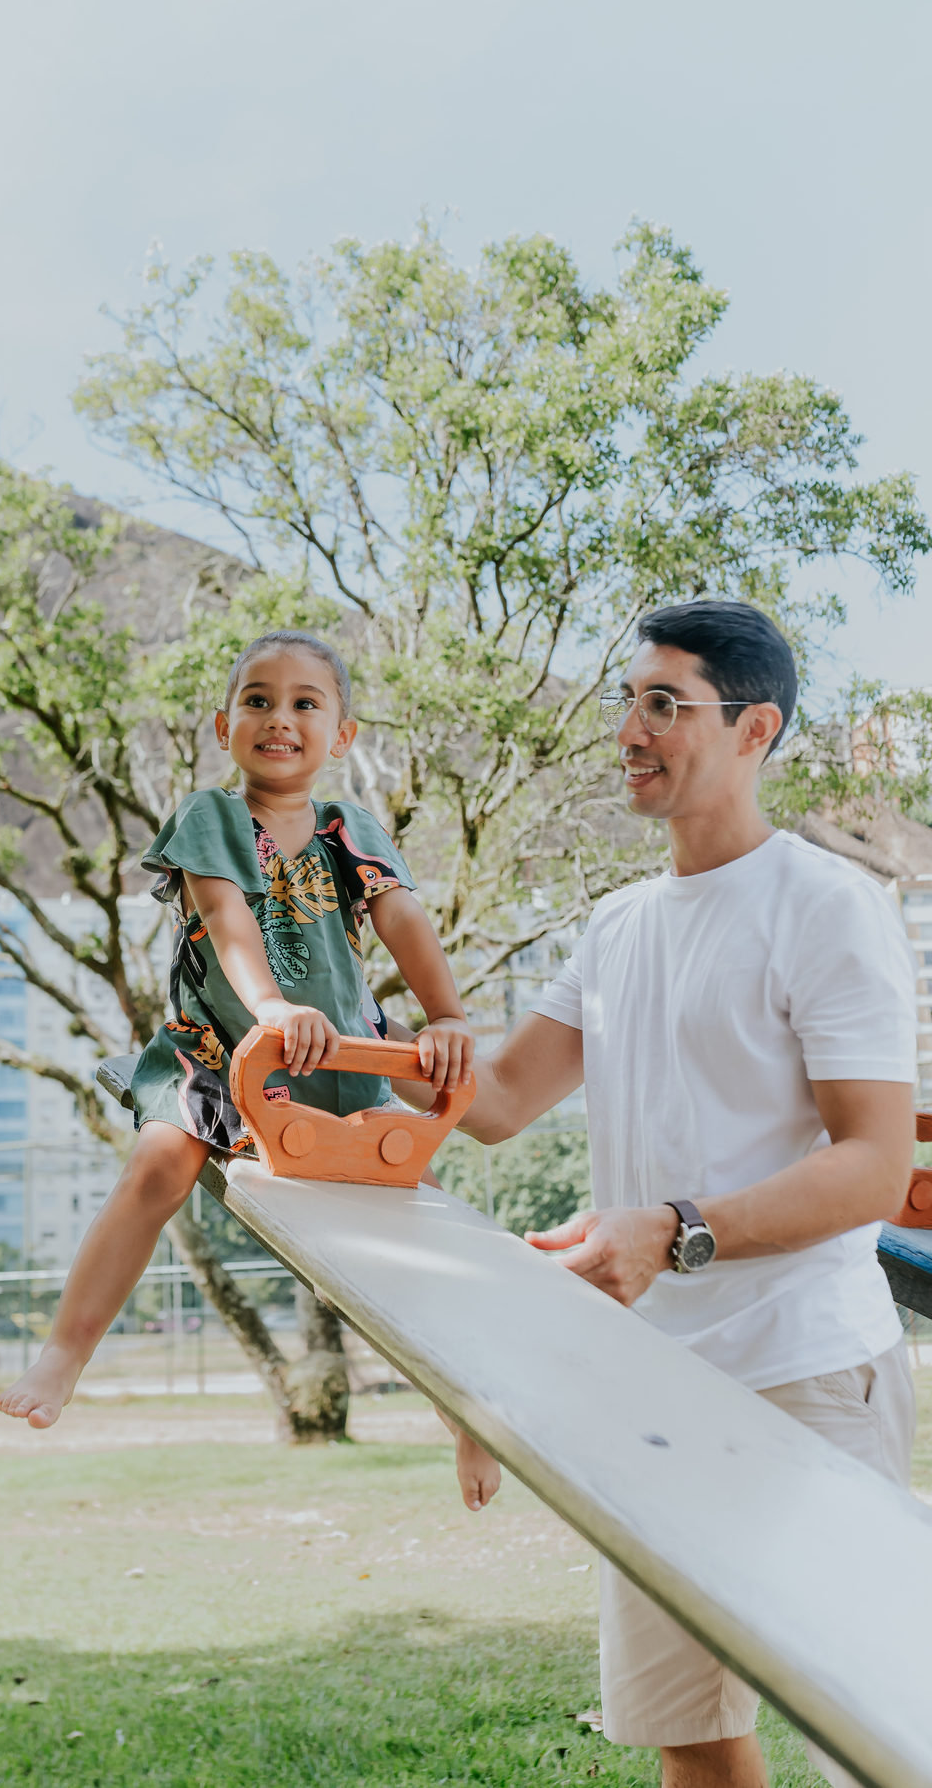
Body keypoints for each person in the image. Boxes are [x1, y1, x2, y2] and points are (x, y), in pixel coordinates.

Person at [436, 601, 917, 1788]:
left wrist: (676, 1229)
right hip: (649, 1386)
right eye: (628, 700)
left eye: (665, 704)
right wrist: (340, 1051)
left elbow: (874, 1162)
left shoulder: (825, 904)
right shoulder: (615, 928)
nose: (629, 730)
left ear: (755, 730)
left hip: (805, 1372)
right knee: (688, 1727)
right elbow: (493, 1101)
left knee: (879, 1735)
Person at [0, 629, 474, 1430]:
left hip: (341, 1064)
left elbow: (404, 921)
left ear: (342, 736)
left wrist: (448, 1013)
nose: (278, 718)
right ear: (226, 727)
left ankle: (466, 1410)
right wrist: (273, 1007)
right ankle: (65, 1351)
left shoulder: (350, 829)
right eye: (257, 701)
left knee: (422, 1220)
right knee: (157, 1169)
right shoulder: (211, 815)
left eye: (304, 703)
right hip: (220, 1053)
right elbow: (226, 921)